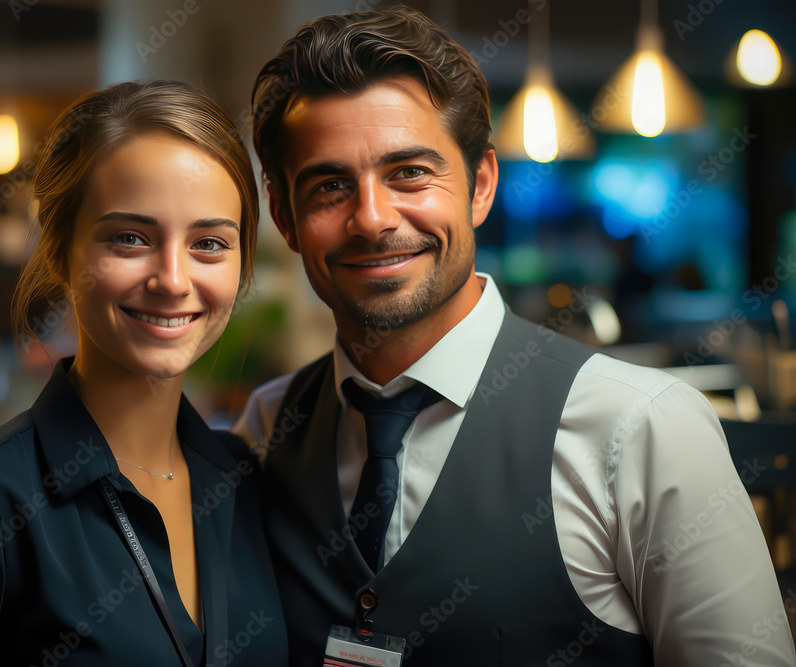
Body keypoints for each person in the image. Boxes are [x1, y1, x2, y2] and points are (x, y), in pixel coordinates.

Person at [234, 6, 795, 666]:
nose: (373, 218)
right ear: (286, 217)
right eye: (329, 186)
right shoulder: (266, 429)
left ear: (479, 186)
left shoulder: (641, 428)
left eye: (410, 172)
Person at [0, 80, 286, 666]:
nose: (173, 279)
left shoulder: (250, 485)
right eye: (130, 238)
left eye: (210, 243)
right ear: (58, 251)